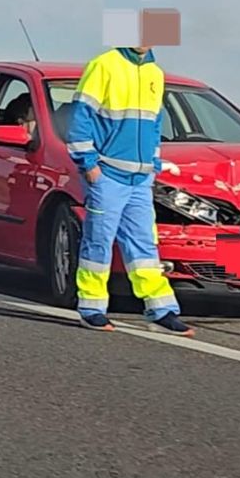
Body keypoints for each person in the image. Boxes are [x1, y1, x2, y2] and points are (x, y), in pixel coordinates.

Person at [66, 40, 193, 335]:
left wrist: (154, 165)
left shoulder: (155, 73)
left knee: (145, 246)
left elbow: (155, 124)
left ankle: (161, 309)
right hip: (107, 173)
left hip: (140, 178)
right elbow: (81, 116)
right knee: (99, 241)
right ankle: (91, 307)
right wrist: (88, 164)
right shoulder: (104, 64)